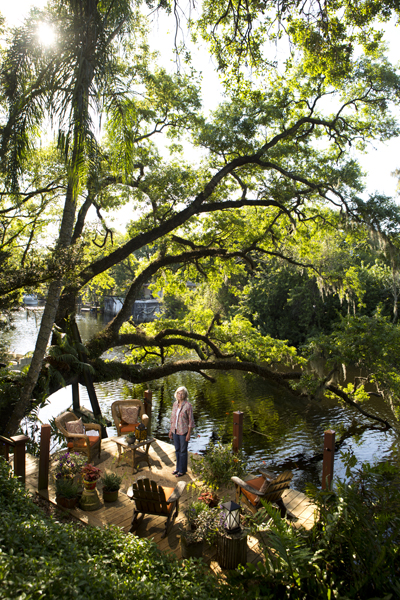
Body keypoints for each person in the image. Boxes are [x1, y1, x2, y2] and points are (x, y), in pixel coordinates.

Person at [169, 386, 195, 477]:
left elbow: (191, 421)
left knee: (183, 451)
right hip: (175, 431)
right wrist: (170, 431)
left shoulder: (188, 405)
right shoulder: (175, 404)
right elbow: (172, 418)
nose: (180, 395)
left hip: (183, 432)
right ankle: (177, 468)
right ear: (176, 394)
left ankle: (182, 470)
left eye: (182, 393)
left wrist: (188, 434)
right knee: (177, 450)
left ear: (185, 395)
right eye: (179, 393)